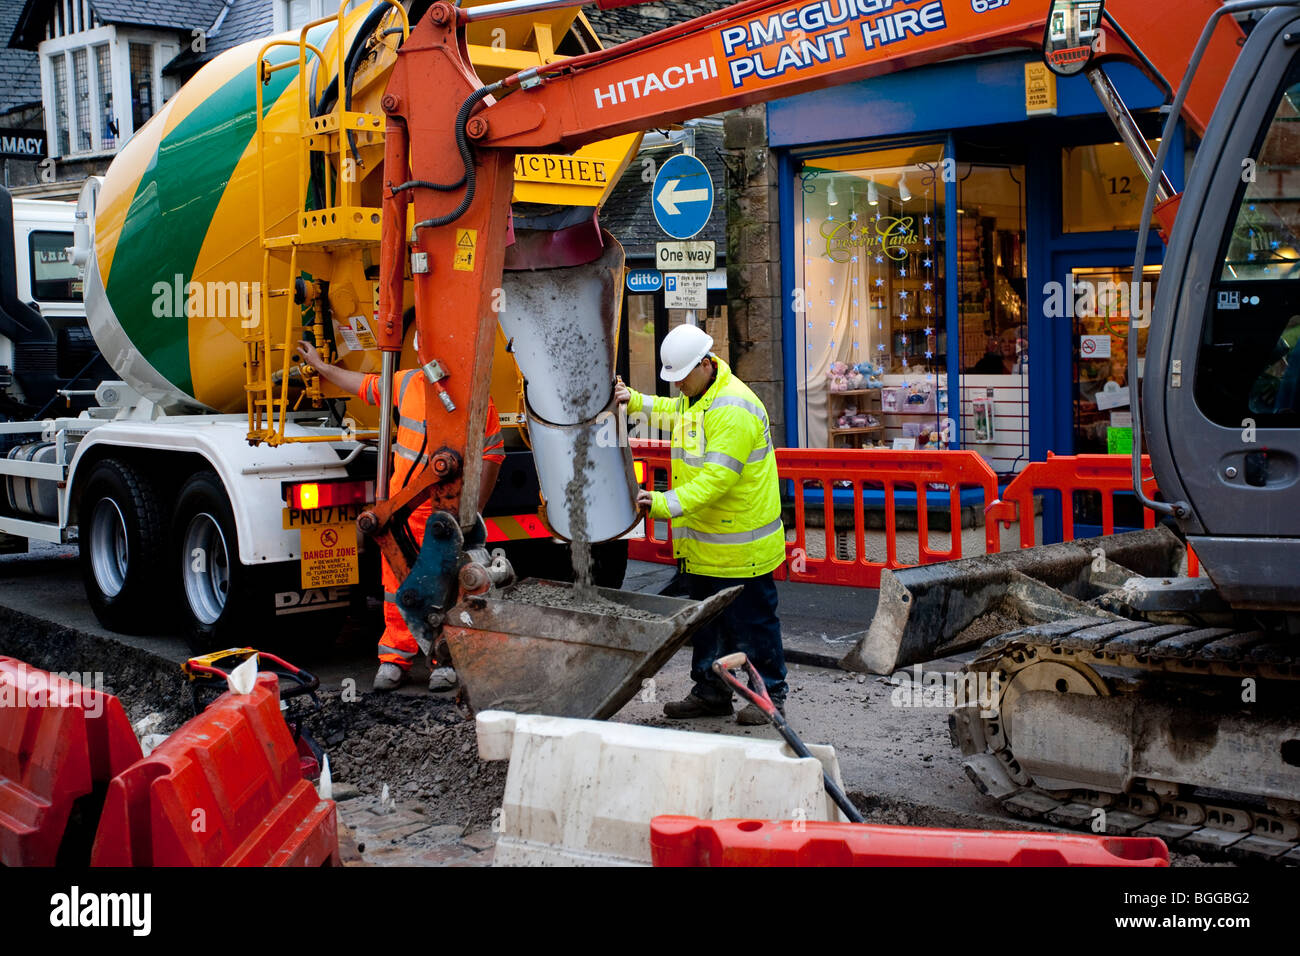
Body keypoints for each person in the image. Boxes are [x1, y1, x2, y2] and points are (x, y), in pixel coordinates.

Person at [295, 338, 504, 692]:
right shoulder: (407, 382)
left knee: (447, 587)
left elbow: (493, 453)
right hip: (401, 512)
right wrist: (322, 366)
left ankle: (444, 659)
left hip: (445, 515)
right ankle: (394, 658)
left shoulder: (475, 396)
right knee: (397, 589)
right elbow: (363, 385)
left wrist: (473, 512)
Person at [615, 324, 788, 725]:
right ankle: (711, 692)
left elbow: (716, 480)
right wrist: (635, 399)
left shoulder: (733, 408)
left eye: (681, 378)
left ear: (706, 364)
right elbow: (672, 410)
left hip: (742, 549)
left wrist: (660, 503)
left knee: (754, 625)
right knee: (707, 625)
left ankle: (771, 695)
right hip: (706, 546)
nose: (677, 387)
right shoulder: (697, 397)